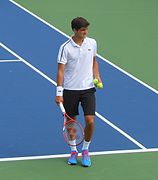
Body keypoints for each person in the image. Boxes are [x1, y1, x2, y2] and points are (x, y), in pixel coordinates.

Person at [55, 17, 102, 167]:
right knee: (71, 121)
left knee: (90, 121)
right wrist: (59, 92)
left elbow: (94, 61)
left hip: (88, 89)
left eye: (86, 29)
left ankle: (86, 149)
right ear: (75, 30)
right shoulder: (65, 47)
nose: (85, 32)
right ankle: (74, 150)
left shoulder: (92, 43)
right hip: (70, 90)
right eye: (82, 30)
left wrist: (97, 76)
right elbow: (60, 70)